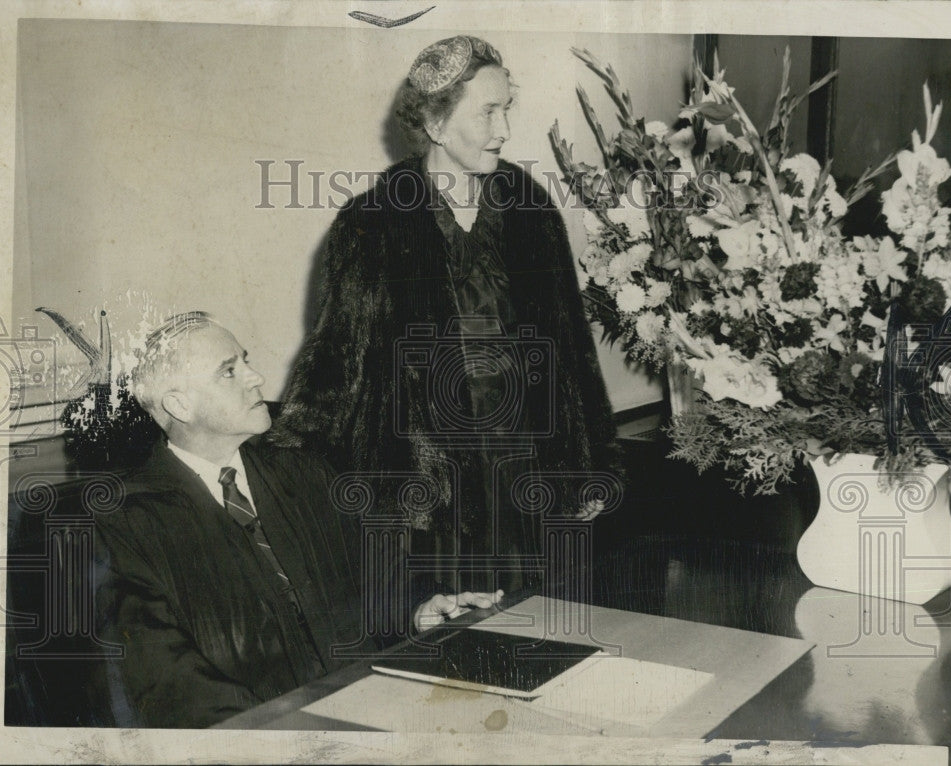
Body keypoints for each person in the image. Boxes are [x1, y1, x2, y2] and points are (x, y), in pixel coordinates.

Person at [272, 36, 619, 595]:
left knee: (541, 635)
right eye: (487, 111)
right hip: (428, 492)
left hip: (526, 474)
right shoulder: (372, 223)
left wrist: (589, 465)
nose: (503, 129)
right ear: (434, 123)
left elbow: (572, 348)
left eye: (507, 108)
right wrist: (288, 474)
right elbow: (336, 364)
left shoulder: (532, 213)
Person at [92, 312, 501, 728]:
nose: (256, 377)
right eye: (229, 372)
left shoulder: (304, 472)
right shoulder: (125, 526)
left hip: (374, 707)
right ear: (179, 404)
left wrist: (418, 609)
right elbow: (171, 683)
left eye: (245, 361)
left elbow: (380, 577)